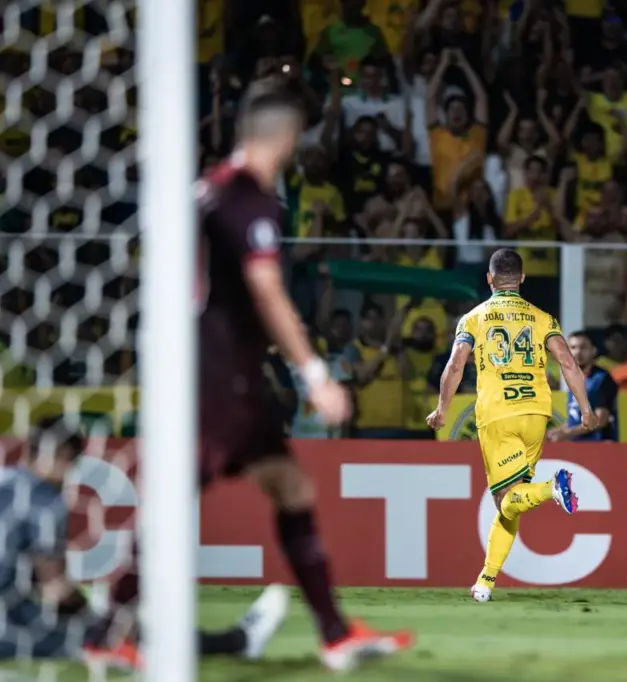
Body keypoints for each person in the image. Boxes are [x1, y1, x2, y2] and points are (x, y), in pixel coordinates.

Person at [85, 78, 413, 671]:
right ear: (286, 138)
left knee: (292, 487)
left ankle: (335, 634)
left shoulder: (203, 191)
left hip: (201, 363)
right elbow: (266, 289)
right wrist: (314, 372)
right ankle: (107, 632)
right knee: (175, 504)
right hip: (221, 373)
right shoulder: (248, 198)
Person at [1, 417, 288, 662]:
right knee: (121, 633)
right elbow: (56, 591)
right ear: (62, 456)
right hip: (12, 632)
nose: (70, 477)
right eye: (73, 464)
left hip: (13, 615)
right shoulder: (45, 503)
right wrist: (101, 615)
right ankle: (239, 641)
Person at [424, 249, 598, 603]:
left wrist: (442, 408)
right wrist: (585, 408)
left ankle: (553, 488)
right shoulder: (542, 318)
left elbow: (456, 365)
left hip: (498, 413)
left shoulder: (473, 318)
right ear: (521, 279)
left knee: (506, 501)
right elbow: (566, 361)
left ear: (489, 279)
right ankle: (485, 581)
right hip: (537, 412)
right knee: (512, 500)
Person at [547, 331, 618, 442]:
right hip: (577, 447)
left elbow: (600, 420)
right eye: (573, 347)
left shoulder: (601, 378)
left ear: (593, 351)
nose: (578, 352)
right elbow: (575, 420)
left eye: (583, 347)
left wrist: (569, 433)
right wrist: (559, 431)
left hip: (598, 447)